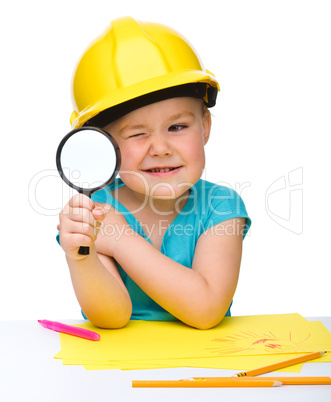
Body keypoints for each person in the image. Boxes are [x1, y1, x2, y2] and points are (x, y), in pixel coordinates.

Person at [57, 17, 251, 330]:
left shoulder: (222, 206)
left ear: (204, 127)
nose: (160, 148)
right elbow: (112, 317)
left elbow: (206, 309)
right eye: (137, 133)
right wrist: (82, 258)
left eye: (177, 127)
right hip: (121, 370)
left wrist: (121, 240)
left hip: (208, 368)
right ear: (103, 146)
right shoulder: (97, 210)